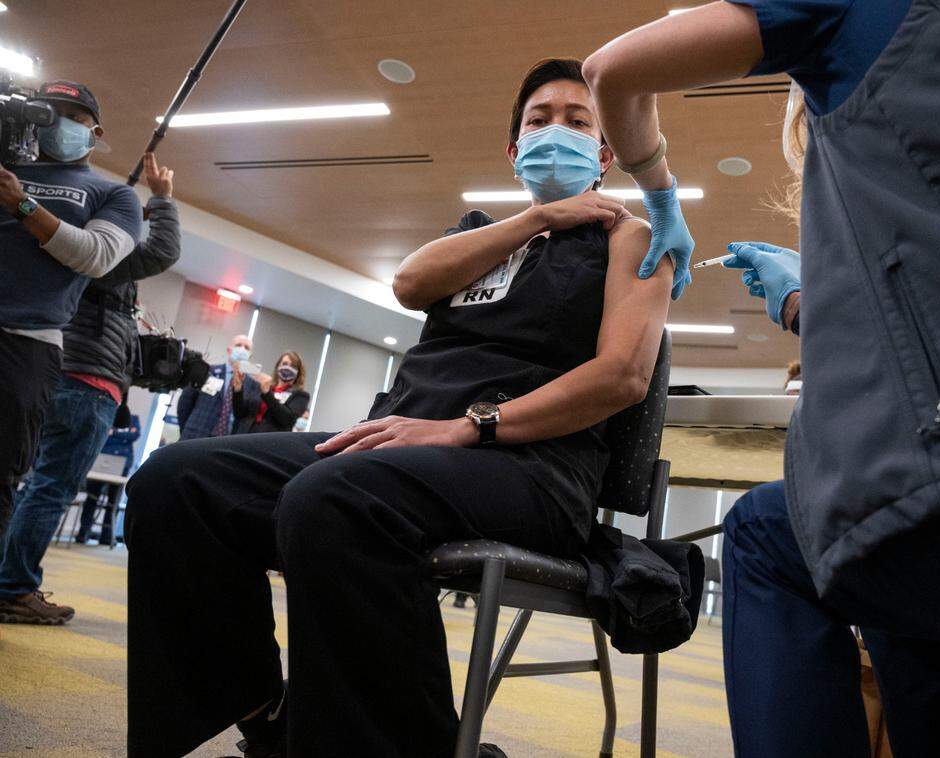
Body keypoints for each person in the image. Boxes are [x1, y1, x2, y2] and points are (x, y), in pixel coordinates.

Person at [583, 2, 940, 756]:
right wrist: (808, 302)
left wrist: (659, 196)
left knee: (788, 532)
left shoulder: (866, 16)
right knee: (891, 534)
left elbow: (611, 70)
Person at [124, 57, 673, 758]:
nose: (555, 132)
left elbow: (622, 376)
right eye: (539, 121)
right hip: (399, 445)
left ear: (604, 153)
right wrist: (534, 219)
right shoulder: (481, 234)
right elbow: (411, 282)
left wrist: (469, 427)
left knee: (337, 498)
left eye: (576, 121)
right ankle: (270, 720)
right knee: (177, 484)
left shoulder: (633, 235)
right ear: (515, 151)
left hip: (532, 466)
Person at [0, 152, 179, 625]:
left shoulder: (34, 250)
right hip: (87, 380)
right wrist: (161, 200)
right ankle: (13, 588)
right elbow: (162, 250)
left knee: (20, 481)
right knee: (49, 488)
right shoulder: (96, 261)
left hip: (45, 369)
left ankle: (9, 582)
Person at [0, 80, 142, 543]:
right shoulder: (8, 166)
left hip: (27, 343)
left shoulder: (113, 197)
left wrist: (21, 203)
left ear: (95, 132)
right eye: (50, 113)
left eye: (74, 117)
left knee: (4, 471)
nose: (60, 124)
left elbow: (95, 256)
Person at [176, 333, 261, 440]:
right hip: (195, 436)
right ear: (229, 350)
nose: (242, 349)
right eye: (238, 345)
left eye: (247, 348)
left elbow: (247, 418)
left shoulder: (254, 386)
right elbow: (185, 402)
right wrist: (187, 429)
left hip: (227, 444)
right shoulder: (207, 372)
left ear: (250, 355)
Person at [76, 413, 141, 545]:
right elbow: (104, 432)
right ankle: (83, 533)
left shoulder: (133, 418)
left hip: (122, 465)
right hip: (99, 462)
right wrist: (122, 434)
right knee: (91, 499)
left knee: (113, 502)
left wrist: (114, 432)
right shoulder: (109, 413)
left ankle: (106, 536)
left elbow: (134, 435)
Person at [232, 351, 311, 435]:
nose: (287, 367)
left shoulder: (301, 396)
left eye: (293, 366)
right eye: (284, 363)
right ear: (278, 366)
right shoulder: (261, 386)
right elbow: (239, 413)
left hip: (270, 442)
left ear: (298, 371)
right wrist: (238, 389)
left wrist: (267, 393)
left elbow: (287, 420)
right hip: (245, 436)